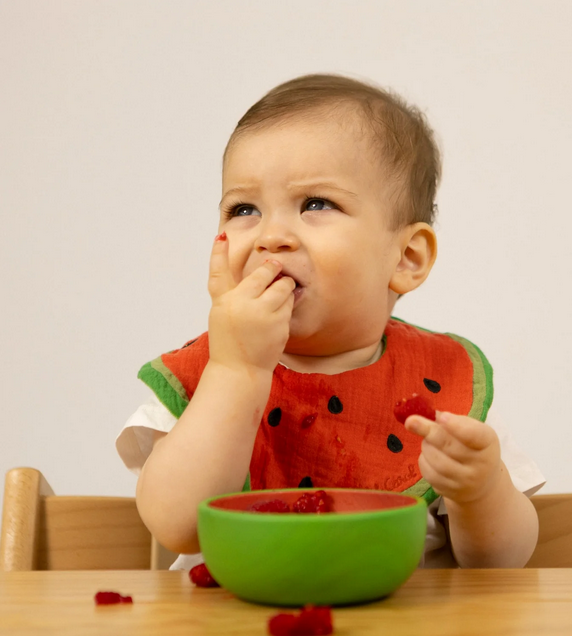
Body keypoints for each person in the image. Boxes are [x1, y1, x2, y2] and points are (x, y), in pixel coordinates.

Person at [116, 74, 544, 570]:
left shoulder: (445, 382)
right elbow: (177, 525)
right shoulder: (206, 373)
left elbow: (501, 564)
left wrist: (481, 490)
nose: (271, 236)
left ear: (406, 257)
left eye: (316, 204)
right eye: (244, 208)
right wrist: (237, 372)